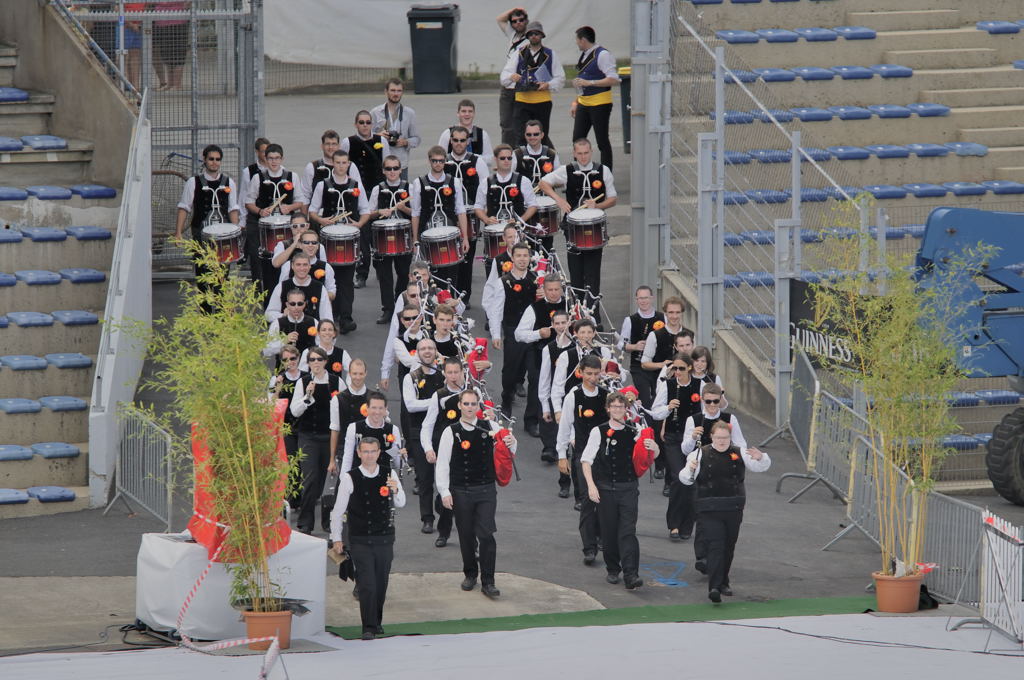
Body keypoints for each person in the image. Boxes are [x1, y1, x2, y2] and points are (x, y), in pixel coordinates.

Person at [436, 389, 518, 598]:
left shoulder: (489, 426)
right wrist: (444, 491)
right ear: (460, 406)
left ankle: (488, 581)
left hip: (485, 489)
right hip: (460, 489)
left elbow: (509, 443)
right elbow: (442, 464)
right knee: (466, 535)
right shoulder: (450, 431)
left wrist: (511, 441)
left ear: (478, 406)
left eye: (474, 404)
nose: (470, 408)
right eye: (466, 404)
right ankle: (470, 573)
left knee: (486, 534)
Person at [680, 420, 770, 602]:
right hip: (709, 508)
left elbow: (760, 467)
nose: (722, 441)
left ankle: (723, 582)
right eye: (719, 437)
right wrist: (690, 469)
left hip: (733, 506)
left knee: (729, 547)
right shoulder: (699, 453)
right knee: (716, 546)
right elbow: (686, 479)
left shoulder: (739, 452)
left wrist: (761, 458)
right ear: (712, 437)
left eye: (726, 437)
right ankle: (714, 586)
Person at [329, 436, 406, 640]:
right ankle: (368, 627)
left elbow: (401, 503)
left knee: (381, 584)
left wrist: (395, 489)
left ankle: (377, 622)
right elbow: (337, 511)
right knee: (367, 584)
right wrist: (337, 538)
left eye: (373, 451)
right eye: (365, 452)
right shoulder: (349, 477)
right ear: (359, 453)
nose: (369, 455)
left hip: (384, 539)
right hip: (360, 539)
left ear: (379, 453)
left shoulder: (389, 474)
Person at [582, 392, 658, 588]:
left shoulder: (636, 430)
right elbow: (586, 461)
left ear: (626, 409)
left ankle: (631, 574)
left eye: (621, 406)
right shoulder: (598, 431)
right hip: (605, 489)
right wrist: (591, 486)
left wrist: (654, 447)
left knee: (628, 531)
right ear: (608, 409)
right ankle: (613, 569)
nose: (617, 410)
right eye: (613, 406)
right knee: (609, 531)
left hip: (628, 488)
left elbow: (651, 456)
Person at [538, 138, 617, 316]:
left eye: (586, 153)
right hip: (572, 228)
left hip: (595, 228)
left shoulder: (603, 170)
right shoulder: (567, 170)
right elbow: (543, 183)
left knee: (593, 273)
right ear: (574, 153)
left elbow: (612, 198)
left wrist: (597, 206)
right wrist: (559, 200)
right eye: (579, 153)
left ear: (591, 152)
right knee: (576, 272)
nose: (583, 157)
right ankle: (578, 313)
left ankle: (593, 315)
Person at [309, 150, 371, 334]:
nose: (341, 166)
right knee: (328, 277)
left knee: (346, 281)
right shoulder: (323, 185)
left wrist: (359, 224)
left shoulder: (355, 185)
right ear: (333, 164)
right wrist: (322, 221)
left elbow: (365, 210)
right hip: (328, 239)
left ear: (349, 164)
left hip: (349, 239)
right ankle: (330, 316)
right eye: (338, 162)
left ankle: (346, 318)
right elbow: (312, 210)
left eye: (345, 163)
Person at [555, 355, 607, 559]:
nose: (593, 378)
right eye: (589, 374)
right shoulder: (573, 396)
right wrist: (561, 454)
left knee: (602, 498)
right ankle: (589, 546)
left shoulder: (605, 395)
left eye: (596, 374)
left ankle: (601, 535)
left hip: (603, 455)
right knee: (587, 498)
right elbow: (565, 426)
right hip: (583, 454)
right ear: (581, 373)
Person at [290, 346, 344, 534]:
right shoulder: (303, 382)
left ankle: (328, 520)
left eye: (319, 360)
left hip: (328, 437)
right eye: (312, 360)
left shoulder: (337, 382)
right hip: (308, 436)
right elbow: (294, 411)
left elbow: (343, 409)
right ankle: (306, 521)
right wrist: (307, 395)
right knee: (310, 479)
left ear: (325, 361)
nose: (315, 363)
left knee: (325, 482)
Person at [482, 242, 538, 420]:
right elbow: (496, 309)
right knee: (510, 371)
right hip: (512, 331)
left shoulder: (536, 279)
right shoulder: (503, 282)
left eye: (525, 256)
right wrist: (496, 334)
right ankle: (507, 398)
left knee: (535, 375)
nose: (522, 259)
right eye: (519, 256)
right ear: (512, 258)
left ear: (529, 258)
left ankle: (531, 419)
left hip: (533, 333)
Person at [651, 352, 702, 541]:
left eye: (681, 368)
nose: (677, 372)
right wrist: (668, 408)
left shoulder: (700, 385)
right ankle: (673, 525)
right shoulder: (668, 385)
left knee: (692, 480)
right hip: (673, 438)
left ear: (689, 368)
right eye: (675, 368)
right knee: (678, 478)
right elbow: (655, 412)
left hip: (694, 439)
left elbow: (710, 409)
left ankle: (687, 524)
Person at [173, 144, 241, 283]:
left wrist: (236, 234)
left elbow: (232, 208)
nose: (214, 162)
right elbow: (184, 207)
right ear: (204, 159)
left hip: (223, 236)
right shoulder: (193, 182)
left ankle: (220, 303)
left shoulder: (229, 182)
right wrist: (178, 233)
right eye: (211, 159)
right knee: (203, 273)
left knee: (223, 274)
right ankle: (205, 304)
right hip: (200, 233)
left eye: (217, 159)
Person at [513, 276, 569, 437]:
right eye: (549, 290)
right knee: (537, 384)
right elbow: (519, 334)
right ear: (543, 290)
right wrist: (538, 333)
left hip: (566, 350)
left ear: (562, 289)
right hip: (539, 350)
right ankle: (531, 420)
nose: (553, 293)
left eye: (556, 289)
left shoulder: (570, 305)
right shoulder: (535, 308)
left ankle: (563, 420)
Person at [244, 143, 304, 295]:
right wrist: (260, 211)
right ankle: (261, 291)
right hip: (264, 228)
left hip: (286, 227)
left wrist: (289, 208)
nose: (274, 162)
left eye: (277, 158)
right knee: (261, 259)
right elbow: (249, 202)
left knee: (287, 257)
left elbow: (300, 201)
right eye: (271, 158)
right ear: (266, 159)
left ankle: (287, 289)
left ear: (282, 159)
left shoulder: (292, 176)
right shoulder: (258, 178)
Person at [419, 356, 466, 548]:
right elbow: (427, 426)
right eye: (450, 372)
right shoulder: (439, 395)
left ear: (463, 372)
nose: (454, 376)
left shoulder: (473, 393)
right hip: (446, 449)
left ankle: (470, 536)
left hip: (468, 449)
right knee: (447, 489)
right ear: (444, 374)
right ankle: (444, 532)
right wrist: (429, 448)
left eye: (457, 372)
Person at [342, 111, 391, 289]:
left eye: (368, 122)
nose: (365, 125)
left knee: (379, 232)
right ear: (356, 124)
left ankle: (380, 267)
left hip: (378, 192)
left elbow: (386, 165)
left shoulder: (381, 141)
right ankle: (361, 273)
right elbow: (343, 165)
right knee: (362, 235)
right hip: (357, 194)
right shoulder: (348, 142)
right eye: (361, 122)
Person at [410, 146, 470, 286]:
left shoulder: (454, 182)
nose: (438, 164)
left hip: (450, 235)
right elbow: (415, 213)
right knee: (430, 272)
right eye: (434, 161)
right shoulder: (418, 183)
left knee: (452, 271)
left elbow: (460, 210)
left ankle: (450, 304)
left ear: (445, 162)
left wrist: (465, 237)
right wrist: (415, 239)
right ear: (429, 161)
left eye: (441, 161)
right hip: (427, 234)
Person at [402, 338, 445, 533]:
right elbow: (410, 405)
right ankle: (427, 518)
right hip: (419, 432)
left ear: (436, 351)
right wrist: (436, 402)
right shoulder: (410, 377)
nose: (427, 351)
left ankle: (441, 504)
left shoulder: (444, 375)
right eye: (423, 348)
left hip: (443, 431)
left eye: (430, 348)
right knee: (425, 477)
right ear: (417, 353)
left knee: (444, 474)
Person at [474, 145, 538, 274]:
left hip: (517, 235)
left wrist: (520, 220)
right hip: (494, 237)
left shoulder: (523, 181)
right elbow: (478, 207)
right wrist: (486, 219)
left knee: (521, 272)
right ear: (496, 159)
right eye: (503, 158)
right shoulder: (486, 182)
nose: (506, 161)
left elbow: (533, 205)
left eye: (509, 158)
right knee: (494, 271)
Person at [500, 22, 565, 147]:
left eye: (537, 33)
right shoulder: (518, 53)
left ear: (541, 35)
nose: (534, 36)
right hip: (522, 102)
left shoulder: (551, 54)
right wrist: (511, 77)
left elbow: (560, 78)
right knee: (521, 136)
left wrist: (548, 85)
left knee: (542, 136)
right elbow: (504, 77)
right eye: (531, 34)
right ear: (527, 36)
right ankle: (522, 163)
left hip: (542, 102)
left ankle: (543, 164)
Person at [445, 128, 489, 302]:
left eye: (462, 140)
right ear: (451, 141)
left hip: (470, 214)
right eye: (455, 140)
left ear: (468, 142)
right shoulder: (443, 161)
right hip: (448, 215)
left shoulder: (477, 162)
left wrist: (482, 215)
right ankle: (449, 295)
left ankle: (464, 296)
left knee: (466, 257)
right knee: (448, 256)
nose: (458, 144)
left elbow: (485, 188)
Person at [368, 155, 413, 324]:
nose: (392, 172)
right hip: (382, 239)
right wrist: (380, 212)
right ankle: (388, 308)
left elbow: (417, 213)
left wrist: (405, 208)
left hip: (404, 238)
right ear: (383, 171)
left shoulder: (410, 187)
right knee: (385, 275)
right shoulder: (377, 189)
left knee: (403, 273)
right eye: (388, 169)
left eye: (395, 168)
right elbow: (369, 213)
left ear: (401, 170)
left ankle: (400, 304)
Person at [570, 27, 620, 170]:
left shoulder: (603, 54)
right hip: (584, 103)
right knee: (577, 139)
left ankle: (606, 174)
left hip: (600, 103)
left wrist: (590, 83)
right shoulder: (585, 55)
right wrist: (575, 101)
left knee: (602, 141)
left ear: (583, 40)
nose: (576, 43)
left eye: (577, 40)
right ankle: (577, 173)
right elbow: (583, 81)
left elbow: (613, 79)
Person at [332, 390, 404, 476]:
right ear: (367, 408)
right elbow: (348, 458)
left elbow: (398, 463)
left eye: (380, 408)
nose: (377, 412)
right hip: (358, 478)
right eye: (374, 408)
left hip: (383, 479)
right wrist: (343, 481)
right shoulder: (354, 428)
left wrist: (401, 456)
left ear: (386, 409)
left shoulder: (392, 430)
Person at [270, 344, 306, 511]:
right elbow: (271, 404)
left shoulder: (306, 377)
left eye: (293, 358)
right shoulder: (278, 379)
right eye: (286, 359)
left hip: (305, 425)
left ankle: (299, 497)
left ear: (298, 358)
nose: (290, 362)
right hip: (286, 426)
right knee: (291, 462)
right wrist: (277, 389)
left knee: (303, 463)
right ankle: (290, 497)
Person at [550, 318, 614, 412]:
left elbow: (617, 375)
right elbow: (557, 386)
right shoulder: (566, 356)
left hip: (601, 402)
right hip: (574, 404)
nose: (586, 336)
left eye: (589, 332)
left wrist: (607, 372)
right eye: (582, 332)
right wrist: (557, 410)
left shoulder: (604, 352)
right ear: (575, 333)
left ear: (594, 333)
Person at [270, 214, 336, 300]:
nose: (298, 229)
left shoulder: (319, 247)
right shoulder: (283, 245)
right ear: (291, 227)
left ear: (308, 226)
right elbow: (276, 263)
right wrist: (294, 244)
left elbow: (324, 268)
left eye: (302, 225)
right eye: (295, 226)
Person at [618, 286, 664, 408]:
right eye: (640, 298)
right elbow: (621, 344)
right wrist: (635, 347)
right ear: (636, 300)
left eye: (646, 298)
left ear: (652, 298)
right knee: (644, 398)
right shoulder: (630, 320)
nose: (643, 301)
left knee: (658, 398)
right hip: (638, 366)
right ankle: (646, 425)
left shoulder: (663, 317)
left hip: (659, 365)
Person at [538, 310, 573, 467]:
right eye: (557, 323)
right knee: (551, 421)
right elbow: (544, 379)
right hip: (556, 392)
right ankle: (551, 449)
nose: (560, 326)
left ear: (569, 323)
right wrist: (545, 405)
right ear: (552, 325)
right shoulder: (549, 349)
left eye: (563, 323)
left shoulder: (578, 345)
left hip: (573, 391)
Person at [300, 130, 363, 210]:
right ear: (322, 146)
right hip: (320, 216)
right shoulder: (311, 167)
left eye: (334, 144)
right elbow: (305, 196)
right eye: (327, 144)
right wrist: (305, 218)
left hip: (347, 215)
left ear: (339, 146)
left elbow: (358, 191)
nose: (331, 147)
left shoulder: (351, 166)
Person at [370, 78, 420, 178]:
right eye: (392, 90)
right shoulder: (375, 112)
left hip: (401, 164)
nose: (396, 94)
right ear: (386, 92)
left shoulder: (409, 113)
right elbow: (365, 136)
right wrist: (378, 136)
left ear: (402, 92)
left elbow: (416, 139)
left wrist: (405, 142)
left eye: (399, 91)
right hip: (380, 163)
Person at [265, 251, 333, 323]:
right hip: (286, 332)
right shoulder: (281, 286)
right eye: (298, 265)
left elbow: (327, 317)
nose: (302, 268)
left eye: (305, 265)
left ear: (310, 266)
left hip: (312, 331)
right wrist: (283, 316)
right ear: (292, 266)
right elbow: (268, 314)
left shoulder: (320, 288)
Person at [496, 7, 531, 145]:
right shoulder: (512, 35)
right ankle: (505, 155)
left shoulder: (532, 37)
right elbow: (499, 19)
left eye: (521, 20)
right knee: (506, 124)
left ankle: (547, 154)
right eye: (514, 21)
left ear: (526, 20)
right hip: (507, 85)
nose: (518, 23)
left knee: (526, 123)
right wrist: (514, 10)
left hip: (521, 86)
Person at [264, 288, 317, 361]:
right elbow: (266, 351)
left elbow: (322, 347)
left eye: (300, 304)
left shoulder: (314, 322)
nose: (296, 307)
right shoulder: (277, 323)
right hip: (284, 369)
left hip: (309, 369)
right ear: (287, 305)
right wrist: (284, 341)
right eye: (292, 304)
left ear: (304, 304)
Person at [438, 99, 494, 164]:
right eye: (463, 111)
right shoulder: (447, 134)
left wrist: (472, 158)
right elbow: (438, 157)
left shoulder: (482, 134)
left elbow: (490, 159)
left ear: (474, 114)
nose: (467, 114)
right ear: (458, 114)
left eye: (470, 111)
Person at [511, 120, 561, 188]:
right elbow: (511, 178)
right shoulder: (516, 154)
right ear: (525, 135)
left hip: (547, 196)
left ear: (542, 135)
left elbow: (559, 180)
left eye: (536, 134)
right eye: (529, 134)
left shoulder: (552, 154)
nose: (532, 137)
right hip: (524, 196)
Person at [153, 3, 188, 91]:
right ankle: (170, 84)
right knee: (166, 53)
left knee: (179, 53)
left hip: (179, 21)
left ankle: (177, 85)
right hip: (162, 21)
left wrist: (186, 5)